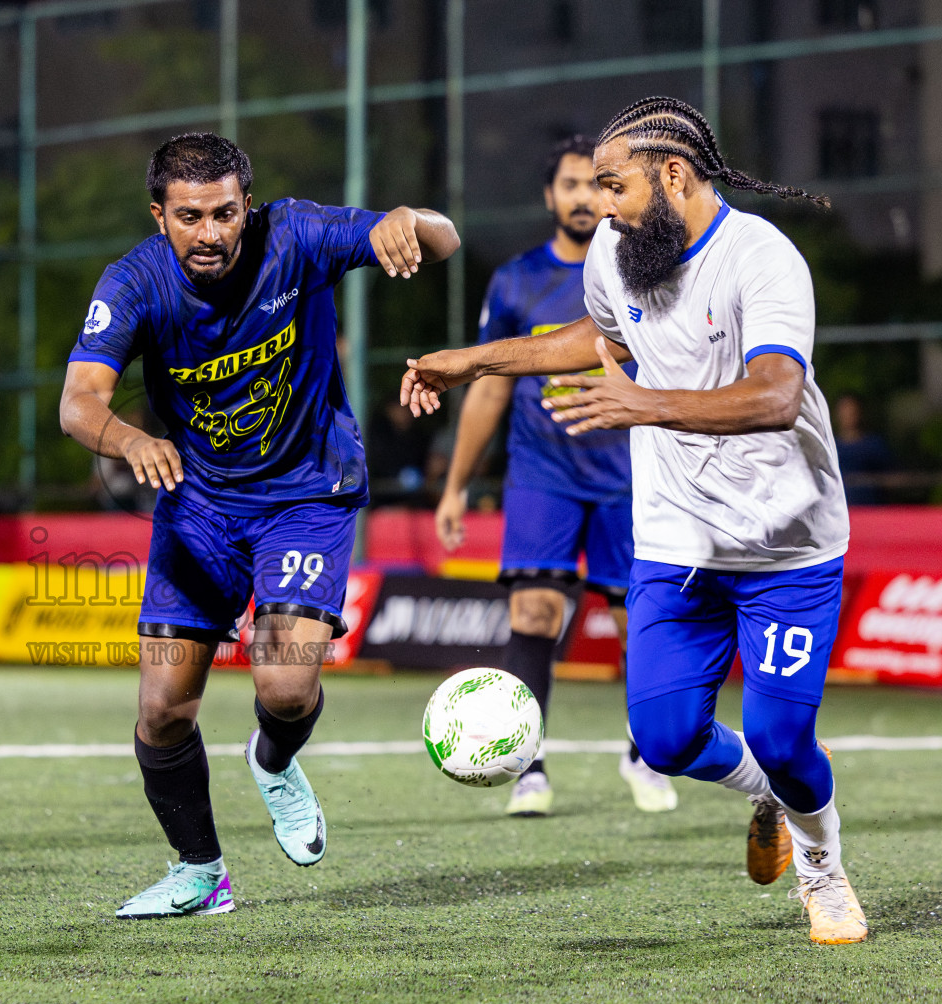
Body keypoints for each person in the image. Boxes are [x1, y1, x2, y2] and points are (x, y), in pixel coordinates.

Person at [401, 97, 866, 945]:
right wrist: (473, 362)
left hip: (786, 543)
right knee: (663, 737)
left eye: (616, 185)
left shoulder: (762, 258)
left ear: (675, 175)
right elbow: (593, 334)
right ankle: (766, 791)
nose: (602, 205)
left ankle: (823, 870)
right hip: (677, 538)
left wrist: (643, 403)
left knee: (782, 733)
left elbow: (775, 395)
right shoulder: (616, 256)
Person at [59, 132, 459, 918]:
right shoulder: (133, 284)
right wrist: (134, 441)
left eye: (223, 213)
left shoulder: (298, 234)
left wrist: (408, 219)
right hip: (199, 505)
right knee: (163, 710)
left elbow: (441, 240)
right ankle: (200, 874)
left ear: (248, 204)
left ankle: (273, 759)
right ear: (159, 215)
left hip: (305, 494)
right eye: (188, 217)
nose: (209, 233)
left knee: (281, 684)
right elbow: (78, 405)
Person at [436, 135, 675, 817]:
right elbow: (487, 390)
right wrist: (457, 485)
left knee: (640, 621)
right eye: (568, 184)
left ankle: (645, 754)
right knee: (535, 611)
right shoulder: (514, 281)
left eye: (592, 184)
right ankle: (527, 764)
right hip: (543, 472)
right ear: (550, 196)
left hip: (631, 468)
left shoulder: (641, 270)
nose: (581, 197)